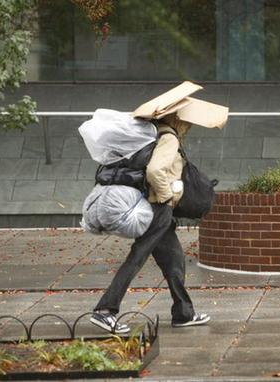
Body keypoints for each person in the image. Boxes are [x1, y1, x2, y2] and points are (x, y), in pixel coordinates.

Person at [90, 113, 210, 333]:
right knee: (138, 257)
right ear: (178, 120)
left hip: (156, 209)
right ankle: (105, 310)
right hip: (158, 208)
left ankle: (183, 313)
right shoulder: (169, 137)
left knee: (173, 260)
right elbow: (155, 171)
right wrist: (167, 195)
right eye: (187, 122)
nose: (189, 126)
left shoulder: (153, 133)